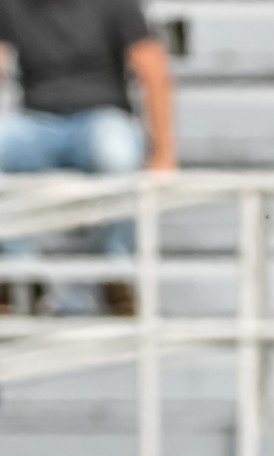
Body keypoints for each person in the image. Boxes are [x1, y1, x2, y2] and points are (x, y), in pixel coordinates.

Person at [0, 0, 177, 317]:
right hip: (38, 121)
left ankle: (118, 275)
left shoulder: (117, 4)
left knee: (116, 152)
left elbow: (151, 67)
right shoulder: (12, 5)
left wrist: (163, 155)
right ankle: (19, 274)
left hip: (100, 118)